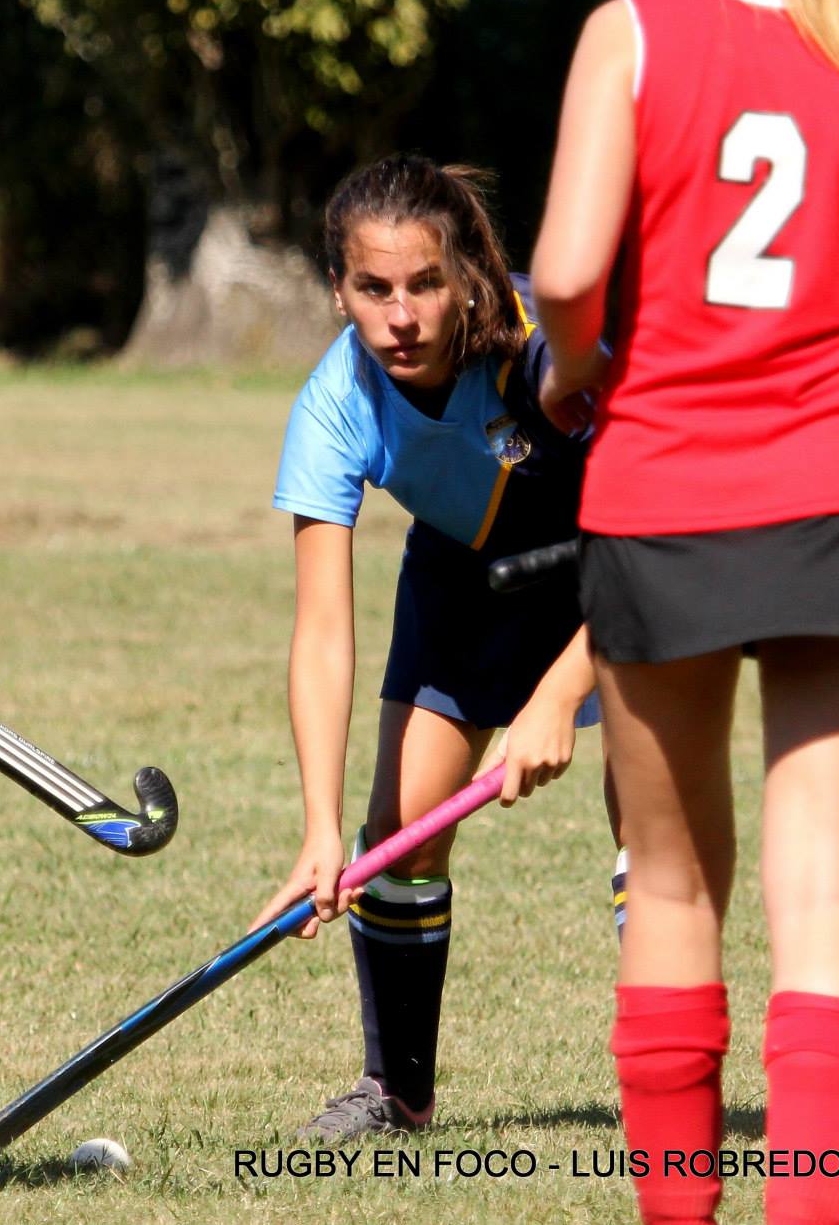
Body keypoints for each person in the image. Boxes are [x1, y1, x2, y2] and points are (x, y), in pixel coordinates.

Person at [529, 0, 839, 1220]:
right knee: (825, 890)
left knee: (669, 886)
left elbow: (562, 271)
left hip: (665, 504)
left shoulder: (632, 33)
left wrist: (574, 363)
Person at [250, 154, 622, 1144]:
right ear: (338, 288)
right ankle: (396, 1094)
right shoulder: (332, 403)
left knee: (651, 816)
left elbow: (653, 532)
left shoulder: (549, 353)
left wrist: (556, 695)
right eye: (372, 289)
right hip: (464, 575)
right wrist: (318, 828)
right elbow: (323, 629)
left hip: (618, 558)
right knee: (400, 835)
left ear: (466, 277)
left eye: (422, 284)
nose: (399, 315)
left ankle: (670, 1084)